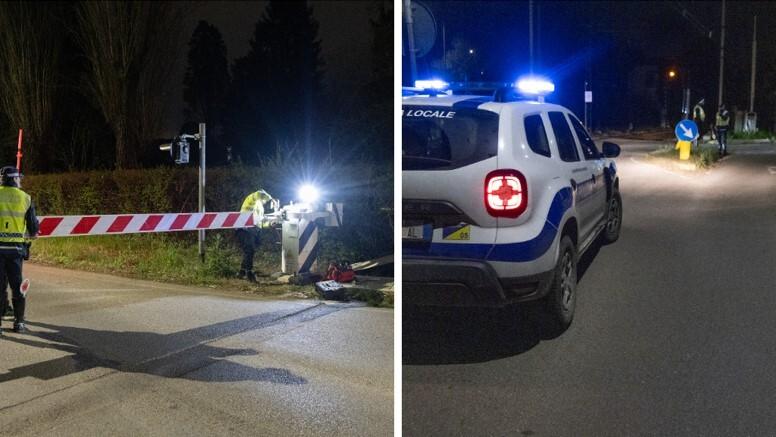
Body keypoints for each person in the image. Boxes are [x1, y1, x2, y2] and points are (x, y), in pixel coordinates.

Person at [0, 166, 39, 334]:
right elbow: (33, 228)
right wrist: (34, 232)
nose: (20, 181)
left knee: (0, 287)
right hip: (16, 250)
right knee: (18, 286)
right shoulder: (26, 198)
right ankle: (19, 323)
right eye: (19, 178)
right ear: (14, 179)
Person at [236, 189, 275, 282]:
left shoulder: (261, 207)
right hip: (244, 229)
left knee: (249, 251)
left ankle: (242, 272)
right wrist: (271, 198)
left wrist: (269, 224)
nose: (266, 202)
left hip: (253, 230)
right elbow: (258, 194)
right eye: (265, 200)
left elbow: (260, 223)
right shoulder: (252, 199)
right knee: (250, 250)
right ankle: (249, 273)